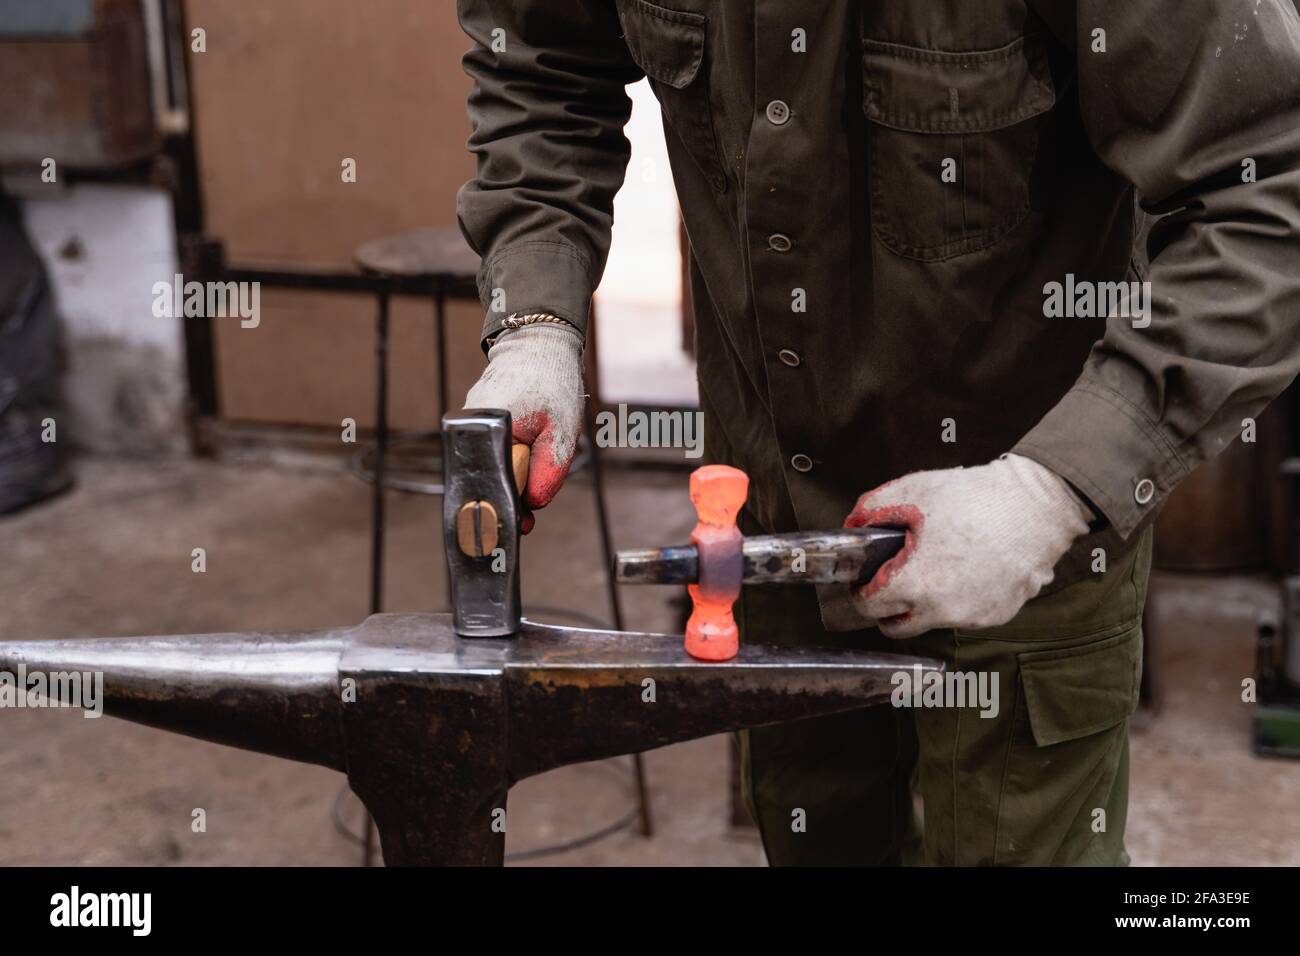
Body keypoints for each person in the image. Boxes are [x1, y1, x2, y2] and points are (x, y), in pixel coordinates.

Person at [455, 0, 1300, 865]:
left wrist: (1054, 490)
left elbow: (1269, 192)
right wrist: (536, 318)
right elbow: (540, 65)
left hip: (1023, 530)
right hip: (775, 508)